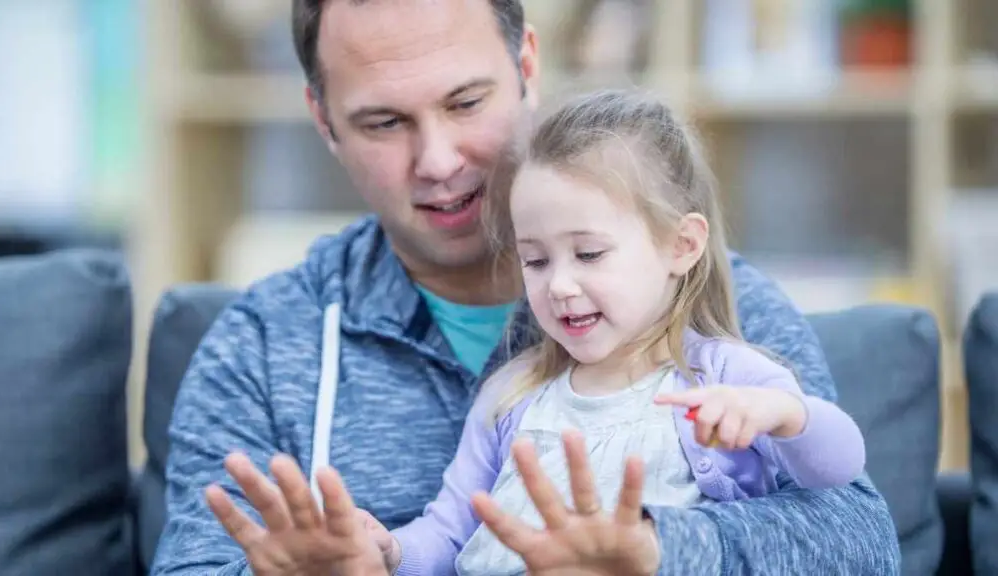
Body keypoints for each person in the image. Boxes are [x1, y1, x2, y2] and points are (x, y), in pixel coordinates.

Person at [149, 0, 900, 574]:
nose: (438, 161)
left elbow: (860, 544)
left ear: (528, 67)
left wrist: (652, 546)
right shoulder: (266, 345)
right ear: (322, 120)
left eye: (466, 103)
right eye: (383, 122)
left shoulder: (708, 303)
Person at [344, 87, 868, 575]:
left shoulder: (722, 377)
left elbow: (839, 468)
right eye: (535, 260)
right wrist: (391, 552)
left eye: (589, 253)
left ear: (682, 246)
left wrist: (786, 416)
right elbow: (450, 530)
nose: (560, 285)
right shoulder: (512, 394)